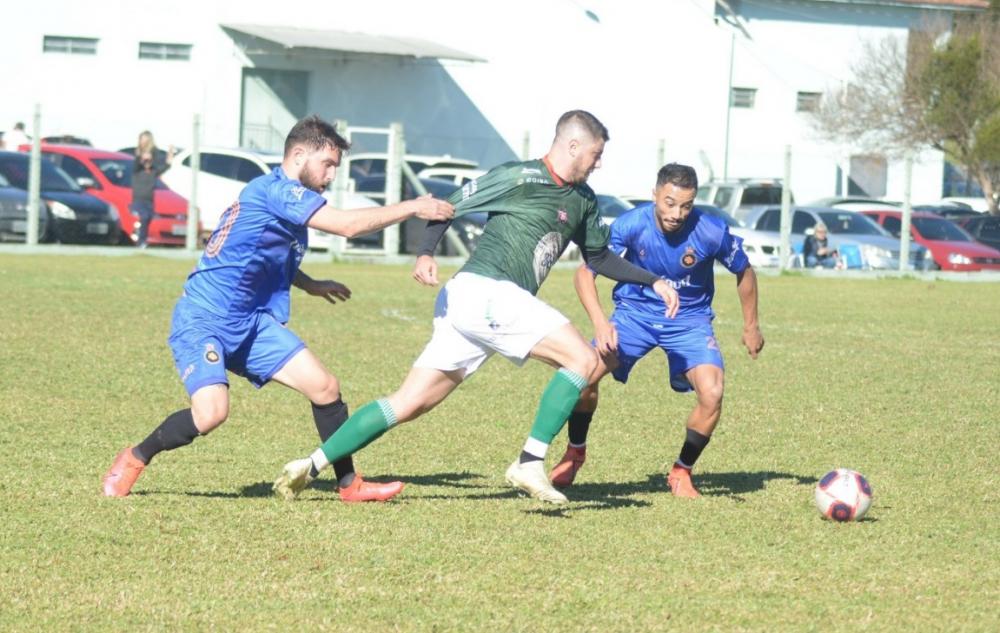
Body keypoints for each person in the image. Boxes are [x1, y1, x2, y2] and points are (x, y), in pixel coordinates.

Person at [272, 110, 680, 505]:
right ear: (573, 146)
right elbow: (447, 206)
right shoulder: (518, 176)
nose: (598, 164)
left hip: (480, 306)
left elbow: (600, 258)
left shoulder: (584, 200)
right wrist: (425, 253)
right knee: (581, 358)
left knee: (409, 402)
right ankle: (530, 461)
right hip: (483, 291)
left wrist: (653, 280)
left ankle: (310, 464)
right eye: (595, 155)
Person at [101, 115, 454, 500]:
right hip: (203, 319)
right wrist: (413, 207)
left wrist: (308, 283)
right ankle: (136, 456)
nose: (332, 175)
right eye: (328, 164)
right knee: (212, 414)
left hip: (251, 323)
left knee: (324, 387)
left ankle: (349, 484)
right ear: (299, 154)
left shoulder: (279, 196)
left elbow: (258, 253)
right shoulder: (279, 192)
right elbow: (347, 226)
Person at [548, 163, 764, 498]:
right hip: (634, 315)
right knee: (583, 375)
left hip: (689, 322)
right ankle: (576, 450)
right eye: (669, 203)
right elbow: (585, 273)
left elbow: (744, 271)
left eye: (686, 205)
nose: (677, 213)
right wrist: (601, 323)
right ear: (655, 195)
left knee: (712, 393)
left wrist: (751, 325)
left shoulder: (710, 230)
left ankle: (682, 471)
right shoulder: (631, 224)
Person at [130, 131, 174, 248]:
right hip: (139, 197)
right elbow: (136, 164)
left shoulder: (153, 170)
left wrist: (169, 156)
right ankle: (140, 241)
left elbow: (164, 166)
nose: (148, 162)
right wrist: (141, 157)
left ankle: (142, 239)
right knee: (144, 217)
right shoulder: (138, 168)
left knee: (148, 218)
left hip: (149, 198)